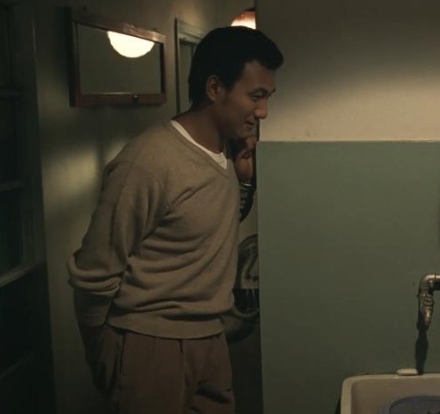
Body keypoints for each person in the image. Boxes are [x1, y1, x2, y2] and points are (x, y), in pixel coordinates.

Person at [67, 25, 283, 414]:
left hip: (211, 336)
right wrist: (106, 354)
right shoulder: (149, 161)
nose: (263, 111)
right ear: (215, 88)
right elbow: (93, 271)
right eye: (256, 96)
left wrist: (244, 181)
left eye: (268, 97)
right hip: (151, 343)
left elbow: (207, 229)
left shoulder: (227, 150)